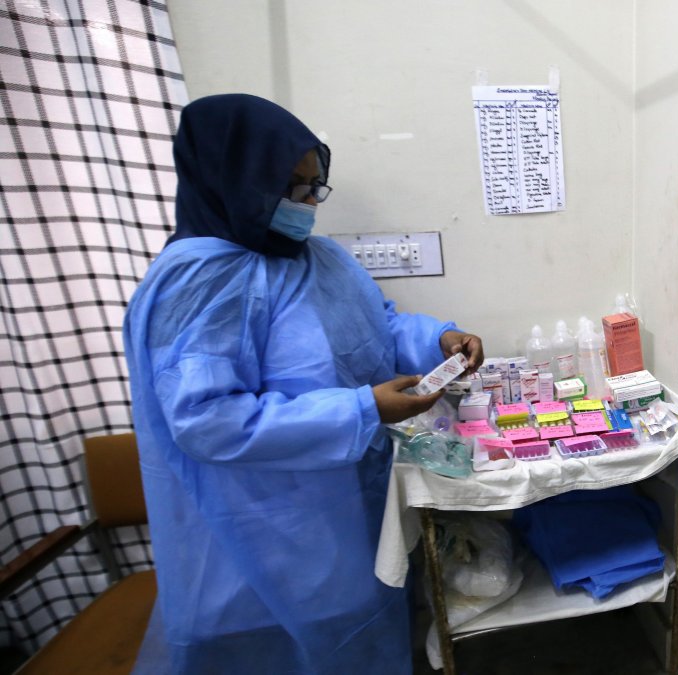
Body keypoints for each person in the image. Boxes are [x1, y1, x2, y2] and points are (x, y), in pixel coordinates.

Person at [123, 93, 484, 673]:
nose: (309, 203)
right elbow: (208, 420)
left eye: (316, 186)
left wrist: (438, 339)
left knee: (359, 637)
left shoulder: (318, 258)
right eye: (293, 187)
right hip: (258, 531)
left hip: (345, 515)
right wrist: (362, 410)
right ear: (233, 179)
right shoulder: (195, 283)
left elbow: (379, 325)